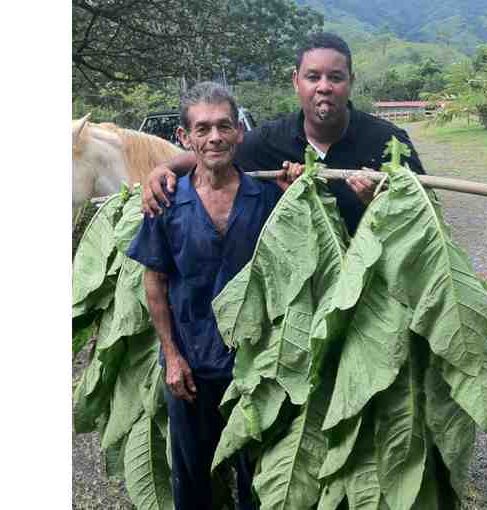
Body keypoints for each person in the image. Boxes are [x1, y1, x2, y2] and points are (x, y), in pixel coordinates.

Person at [127, 82, 286, 510]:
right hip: (190, 369)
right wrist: (171, 356)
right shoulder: (166, 202)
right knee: (193, 478)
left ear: (238, 132)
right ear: (185, 137)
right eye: (202, 129)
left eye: (223, 126)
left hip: (253, 367)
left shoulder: (267, 198)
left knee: (256, 478)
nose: (214, 137)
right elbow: (155, 283)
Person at [143, 32, 426, 235]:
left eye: (336, 77)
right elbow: (215, 151)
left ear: (350, 81)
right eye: (313, 77)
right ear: (296, 81)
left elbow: (423, 215)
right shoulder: (269, 141)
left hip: (372, 288)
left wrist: (382, 203)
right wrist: (165, 168)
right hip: (299, 290)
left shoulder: (389, 142)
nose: (324, 87)